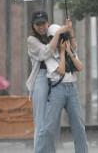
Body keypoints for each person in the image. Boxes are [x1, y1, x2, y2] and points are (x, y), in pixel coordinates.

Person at [34, 24, 88, 153]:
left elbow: (80, 67)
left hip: (72, 89)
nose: (61, 41)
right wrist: (63, 52)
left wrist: (69, 51)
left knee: (79, 127)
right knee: (48, 127)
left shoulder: (70, 51)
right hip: (57, 90)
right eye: (59, 37)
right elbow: (62, 70)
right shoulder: (49, 54)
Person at [25, 10, 72, 149]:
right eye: (37, 24)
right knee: (40, 122)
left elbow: (71, 49)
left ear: (48, 22)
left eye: (43, 23)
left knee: (54, 122)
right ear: (33, 25)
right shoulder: (31, 40)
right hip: (41, 78)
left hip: (56, 79)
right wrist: (57, 34)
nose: (41, 26)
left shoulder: (52, 35)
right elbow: (45, 53)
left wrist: (69, 30)